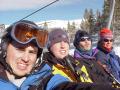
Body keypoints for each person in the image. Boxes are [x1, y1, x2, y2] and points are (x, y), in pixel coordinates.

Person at [0, 20, 72, 90]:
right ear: (5, 49)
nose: (26, 59)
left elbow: (61, 84)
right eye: (20, 50)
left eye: (32, 52)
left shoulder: (44, 79)